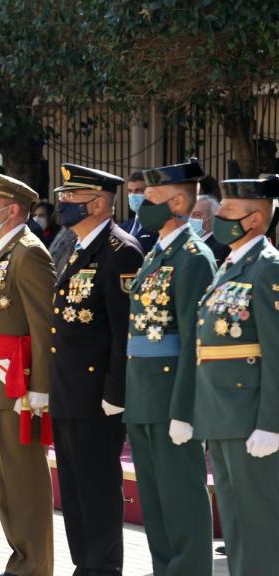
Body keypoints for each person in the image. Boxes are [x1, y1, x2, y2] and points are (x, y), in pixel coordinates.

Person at [50, 164, 143, 576]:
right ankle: (84, 563)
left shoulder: (121, 251)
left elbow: (124, 333)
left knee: (97, 487)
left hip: (96, 394)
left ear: (100, 203)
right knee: (73, 487)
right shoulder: (75, 245)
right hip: (68, 388)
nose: (63, 204)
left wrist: (115, 394)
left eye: (72, 198)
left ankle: (103, 567)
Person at [125, 158, 215, 576]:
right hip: (144, 395)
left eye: (151, 198)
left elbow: (194, 342)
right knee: (156, 504)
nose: (142, 204)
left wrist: (185, 410)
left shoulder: (194, 259)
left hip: (170, 399)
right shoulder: (156, 255)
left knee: (181, 502)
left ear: (178, 202)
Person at [0, 170, 56, 576]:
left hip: (17, 383)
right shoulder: (1, 250)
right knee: (4, 483)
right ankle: (20, 560)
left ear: (13, 209)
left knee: (24, 484)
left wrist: (41, 388)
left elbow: (42, 324)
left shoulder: (29, 251)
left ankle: (34, 564)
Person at [193, 175, 279, 576]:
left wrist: (271, 423)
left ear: (256, 218)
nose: (219, 217)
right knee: (236, 523)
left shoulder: (267, 268)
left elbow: (276, 353)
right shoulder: (232, 264)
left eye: (228, 211)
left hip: (250, 416)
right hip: (221, 413)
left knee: (258, 524)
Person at [120, 170, 158, 253]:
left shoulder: (161, 226)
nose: (133, 195)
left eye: (138, 190)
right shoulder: (123, 227)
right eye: (130, 191)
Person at [190, 193, 230, 264]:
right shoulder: (186, 242)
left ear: (213, 217)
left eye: (197, 215)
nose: (190, 219)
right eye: (188, 214)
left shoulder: (223, 247)